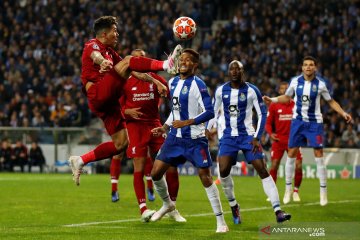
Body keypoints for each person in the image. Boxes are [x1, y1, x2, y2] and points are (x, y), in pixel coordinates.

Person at [67, 15, 182, 194]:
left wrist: (156, 82)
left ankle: (81, 160)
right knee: (128, 59)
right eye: (114, 31)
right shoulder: (93, 45)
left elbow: (134, 70)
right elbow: (95, 55)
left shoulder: (112, 53)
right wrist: (102, 61)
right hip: (97, 93)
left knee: (121, 144)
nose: (117, 34)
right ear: (104, 34)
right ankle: (167, 64)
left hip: (108, 102)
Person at [150, 49, 229, 233]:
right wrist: (165, 127)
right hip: (174, 139)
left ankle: (221, 222)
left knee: (206, 178)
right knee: (155, 173)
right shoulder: (173, 82)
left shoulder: (199, 85)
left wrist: (188, 122)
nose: (183, 62)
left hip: (195, 139)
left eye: (187, 60)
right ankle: (168, 205)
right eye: (181, 59)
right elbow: (175, 111)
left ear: (195, 65)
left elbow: (209, 111)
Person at [207, 60, 291, 224]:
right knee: (223, 171)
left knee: (261, 168)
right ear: (229, 72)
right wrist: (207, 129)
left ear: (242, 71)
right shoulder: (220, 91)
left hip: (248, 137)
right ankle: (233, 205)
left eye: (237, 69)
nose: (234, 71)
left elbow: (262, 114)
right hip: (228, 137)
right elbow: (213, 112)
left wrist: (256, 137)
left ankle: (278, 210)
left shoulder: (252, 90)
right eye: (231, 68)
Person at [263, 56, 352, 206]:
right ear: (302, 68)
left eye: (311, 65)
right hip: (298, 122)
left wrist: (343, 113)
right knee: (291, 154)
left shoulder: (321, 85)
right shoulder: (295, 82)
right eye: (306, 65)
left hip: (314, 123)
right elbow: (287, 97)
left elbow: (330, 101)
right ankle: (288, 190)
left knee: (319, 155)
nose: (308, 67)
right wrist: (273, 99)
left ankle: (323, 192)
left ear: (315, 68)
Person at [109, 49, 185, 222]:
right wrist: (126, 111)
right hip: (135, 128)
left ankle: (172, 207)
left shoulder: (156, 79)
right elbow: (115, 108)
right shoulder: (124, 82)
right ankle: (143, 208)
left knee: (171, 165)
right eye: (136, 58)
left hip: (155, 126)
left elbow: (171, 97)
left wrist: (164, 92)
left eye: (142, 57)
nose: (139, 60)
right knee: (139, 166)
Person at [265, 81, 303, 202]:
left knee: (298, 165)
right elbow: (268, 123)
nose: (285, 90)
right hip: (279, 140)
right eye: (282, 88)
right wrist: (271, 134)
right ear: (279, 91)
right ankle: (272, 192)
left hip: (294, 140)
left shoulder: (296, 105)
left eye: (287, 88)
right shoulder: (274, 106)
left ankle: (295, 191)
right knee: (274, 165)